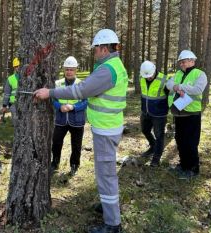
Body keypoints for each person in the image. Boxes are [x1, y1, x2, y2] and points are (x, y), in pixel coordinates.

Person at [34, 29, 127, 233]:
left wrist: (50, 92)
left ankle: (112, 224)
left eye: (95, 49)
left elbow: (81, 90)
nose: (94, 53)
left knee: (106, 175)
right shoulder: (114, 65)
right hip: (109, 126)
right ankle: (107, 206)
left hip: (106, 129)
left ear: (104, 48)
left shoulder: (107, 69)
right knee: (106, 173)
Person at [166, 50, 207, 179]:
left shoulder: (200, 74)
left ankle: (193, 169)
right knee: (180, 140)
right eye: (180, 62)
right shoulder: (178, 73)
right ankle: (183, 165)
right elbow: (168, 84)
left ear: (192, 61)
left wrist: (181, 87)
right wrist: (176, 87)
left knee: (191, 142)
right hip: (178, 113)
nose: (182, 65)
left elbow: (198, 89)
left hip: (192, 114)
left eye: (184, 62)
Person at [51, 56, 87, 176]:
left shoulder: (81, 84)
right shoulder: (58, 83)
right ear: (64, 70)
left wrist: (73, 107)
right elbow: (53, 99)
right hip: (61, 119)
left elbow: (86, 102)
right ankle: (55, 162)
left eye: (71, 69)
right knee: (56, 142)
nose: (69, 72)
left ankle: (74, 165)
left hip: (77, 119)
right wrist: (58, 106)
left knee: (76, 144)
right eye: (67, 69)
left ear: (76, 70)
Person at [139, 61, 169, 167]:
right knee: (144, 130)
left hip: (159, 114)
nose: (148, 78)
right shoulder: (142, 77)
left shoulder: (164, 80)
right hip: (145, 111)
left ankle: (156, 158)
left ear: (154, 70)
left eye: (150, 75)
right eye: (146, 76)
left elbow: (170, 96)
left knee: (159, 135)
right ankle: (153, 146)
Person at [2, 57, 20, 127]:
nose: (17, 68)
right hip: (13, 104)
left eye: (19, 66)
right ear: (14, 67)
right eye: (16, 66)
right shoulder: (10, 79)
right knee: (15, 121)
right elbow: (7, 94)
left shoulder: (28, 77)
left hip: (25, 103)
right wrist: (4, 105)